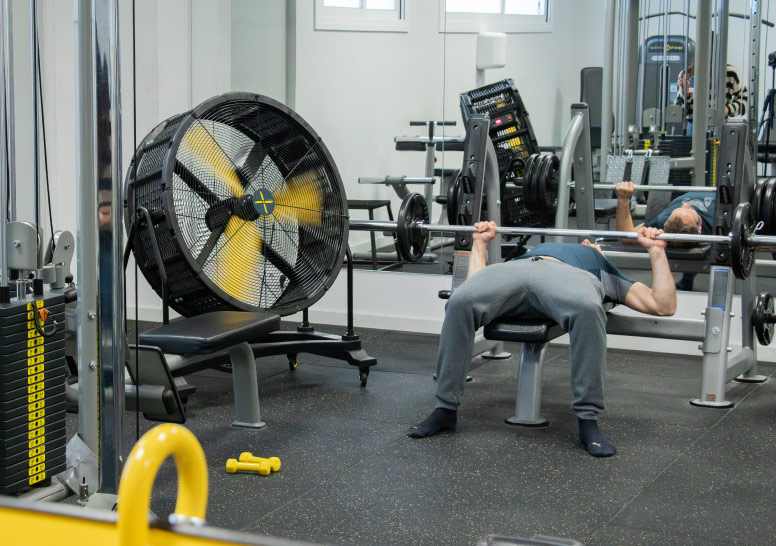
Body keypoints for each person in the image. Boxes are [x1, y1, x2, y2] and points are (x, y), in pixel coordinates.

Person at [407, 222, 676, 457]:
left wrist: (656, 251)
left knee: (587, 308)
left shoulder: (603, 268)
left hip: (566, 275)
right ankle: (445, 409)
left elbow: (662, 305)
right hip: (517, 267)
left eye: (592, 244)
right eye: (588, 243)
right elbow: (478, 284)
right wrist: (480, 244)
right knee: (460, 301)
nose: (587, 243)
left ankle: (587, 420)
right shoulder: (531, 252)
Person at [615, 181, 715, 290]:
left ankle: (687, 279)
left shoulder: (663, 221)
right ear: (699, 228)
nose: (685, 204)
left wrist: (623, 199)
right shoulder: (716, 220)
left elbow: (626, 236)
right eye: (688, 209)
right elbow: (626, 238)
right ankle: (687, 279)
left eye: (683, 208)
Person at [675, 63, 748, 136]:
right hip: (693, 126)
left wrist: (728, 109)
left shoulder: (729, 72)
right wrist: (685, 92)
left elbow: (745, 98)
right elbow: (679, 110)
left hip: (719, 125)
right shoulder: (687, 73)